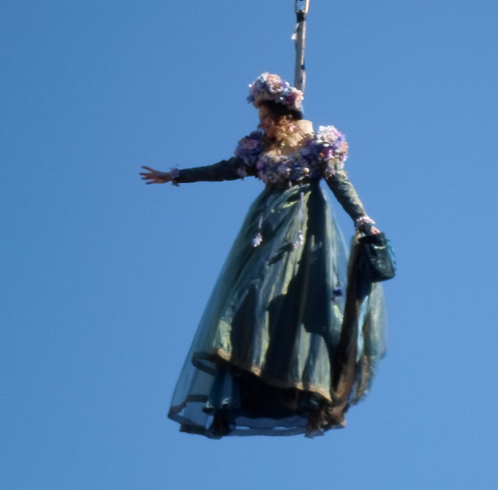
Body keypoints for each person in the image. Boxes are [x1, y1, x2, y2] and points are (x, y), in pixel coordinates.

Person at [141, 73, 387, 438]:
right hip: (264, 227)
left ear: (284, 115)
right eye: (260, 120)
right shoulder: (259, 149)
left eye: (266, 118)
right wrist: (176, 175)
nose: (262, 125)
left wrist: (363, 220)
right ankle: (239, 376)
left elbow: (340, 184)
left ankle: (293, 376)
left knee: (291, 298)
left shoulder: (316, 145)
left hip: (302, 226)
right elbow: (225, 169)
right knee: (248, 297)